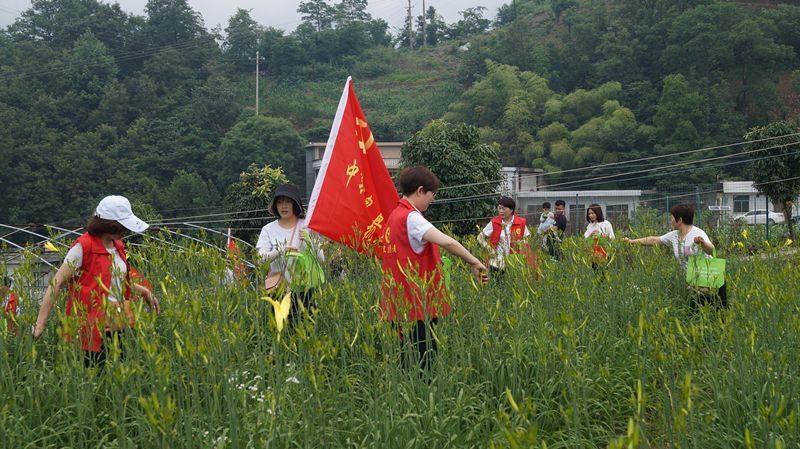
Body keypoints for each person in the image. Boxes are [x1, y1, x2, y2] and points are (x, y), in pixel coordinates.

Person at [381, 166, 488, 373]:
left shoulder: (394, 216)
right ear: (420, 190)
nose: (433, 199)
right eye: (432, 194)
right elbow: (448, 242)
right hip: (416, 304)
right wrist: (475, 262)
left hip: (398, 302)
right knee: (424, 364)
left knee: (407, 361)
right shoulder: (412, 218)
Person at [32, 195, 160, 368]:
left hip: (118, 321)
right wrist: (40, 323)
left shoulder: (118, 246)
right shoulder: (82, 248)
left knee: (118, 374)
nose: (126, 231)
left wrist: (144, 291)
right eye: (122, 226)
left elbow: (115, 281)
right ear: (110, 224)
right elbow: (56, 284)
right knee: (96, 374)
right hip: (91, 327)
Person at [622, 203, 727, 309]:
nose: (670, 220)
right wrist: (631, 242)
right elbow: (654, 240)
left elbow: (711, 250)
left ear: (680, 220)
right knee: (696, 315)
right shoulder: (675, 235)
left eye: (672, 217)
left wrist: (702, 243)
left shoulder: (698, 233)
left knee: (713, 313)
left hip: (708, 282)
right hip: (692, 283)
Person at [256, 183, 325, 329]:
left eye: (287, 201)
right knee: (280, 332)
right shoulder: (268, 229)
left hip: (305, 290)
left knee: (306, 332)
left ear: (295, 204)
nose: (284, 206)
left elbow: (321, 259)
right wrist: (280, 250)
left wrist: (309, 239)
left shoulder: (307, 226)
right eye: (280, 202)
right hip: (279, 289)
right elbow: (261, 260)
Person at [478, 196, 532, 278]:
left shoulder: (520, 222)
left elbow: (527, 239)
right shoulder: (494, 222)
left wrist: (521, 243)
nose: (501, 211)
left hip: (515, 260)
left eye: (503, 209)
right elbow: (480, 237)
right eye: (499, 208)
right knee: (498, 285)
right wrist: (489, 248)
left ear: (511, 210)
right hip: (497, 261)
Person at [584, 204, 615, 272]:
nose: (591, 215)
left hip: (605, 254)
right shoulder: (590, 226)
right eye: (589, 214)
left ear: (598, 212)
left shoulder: (606, 224)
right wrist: (591, 235)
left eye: (593, 213)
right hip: (593, 255)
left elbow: (612, 238)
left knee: (604, 273)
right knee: (596, 273)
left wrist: (601, 235)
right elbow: (586, 239)